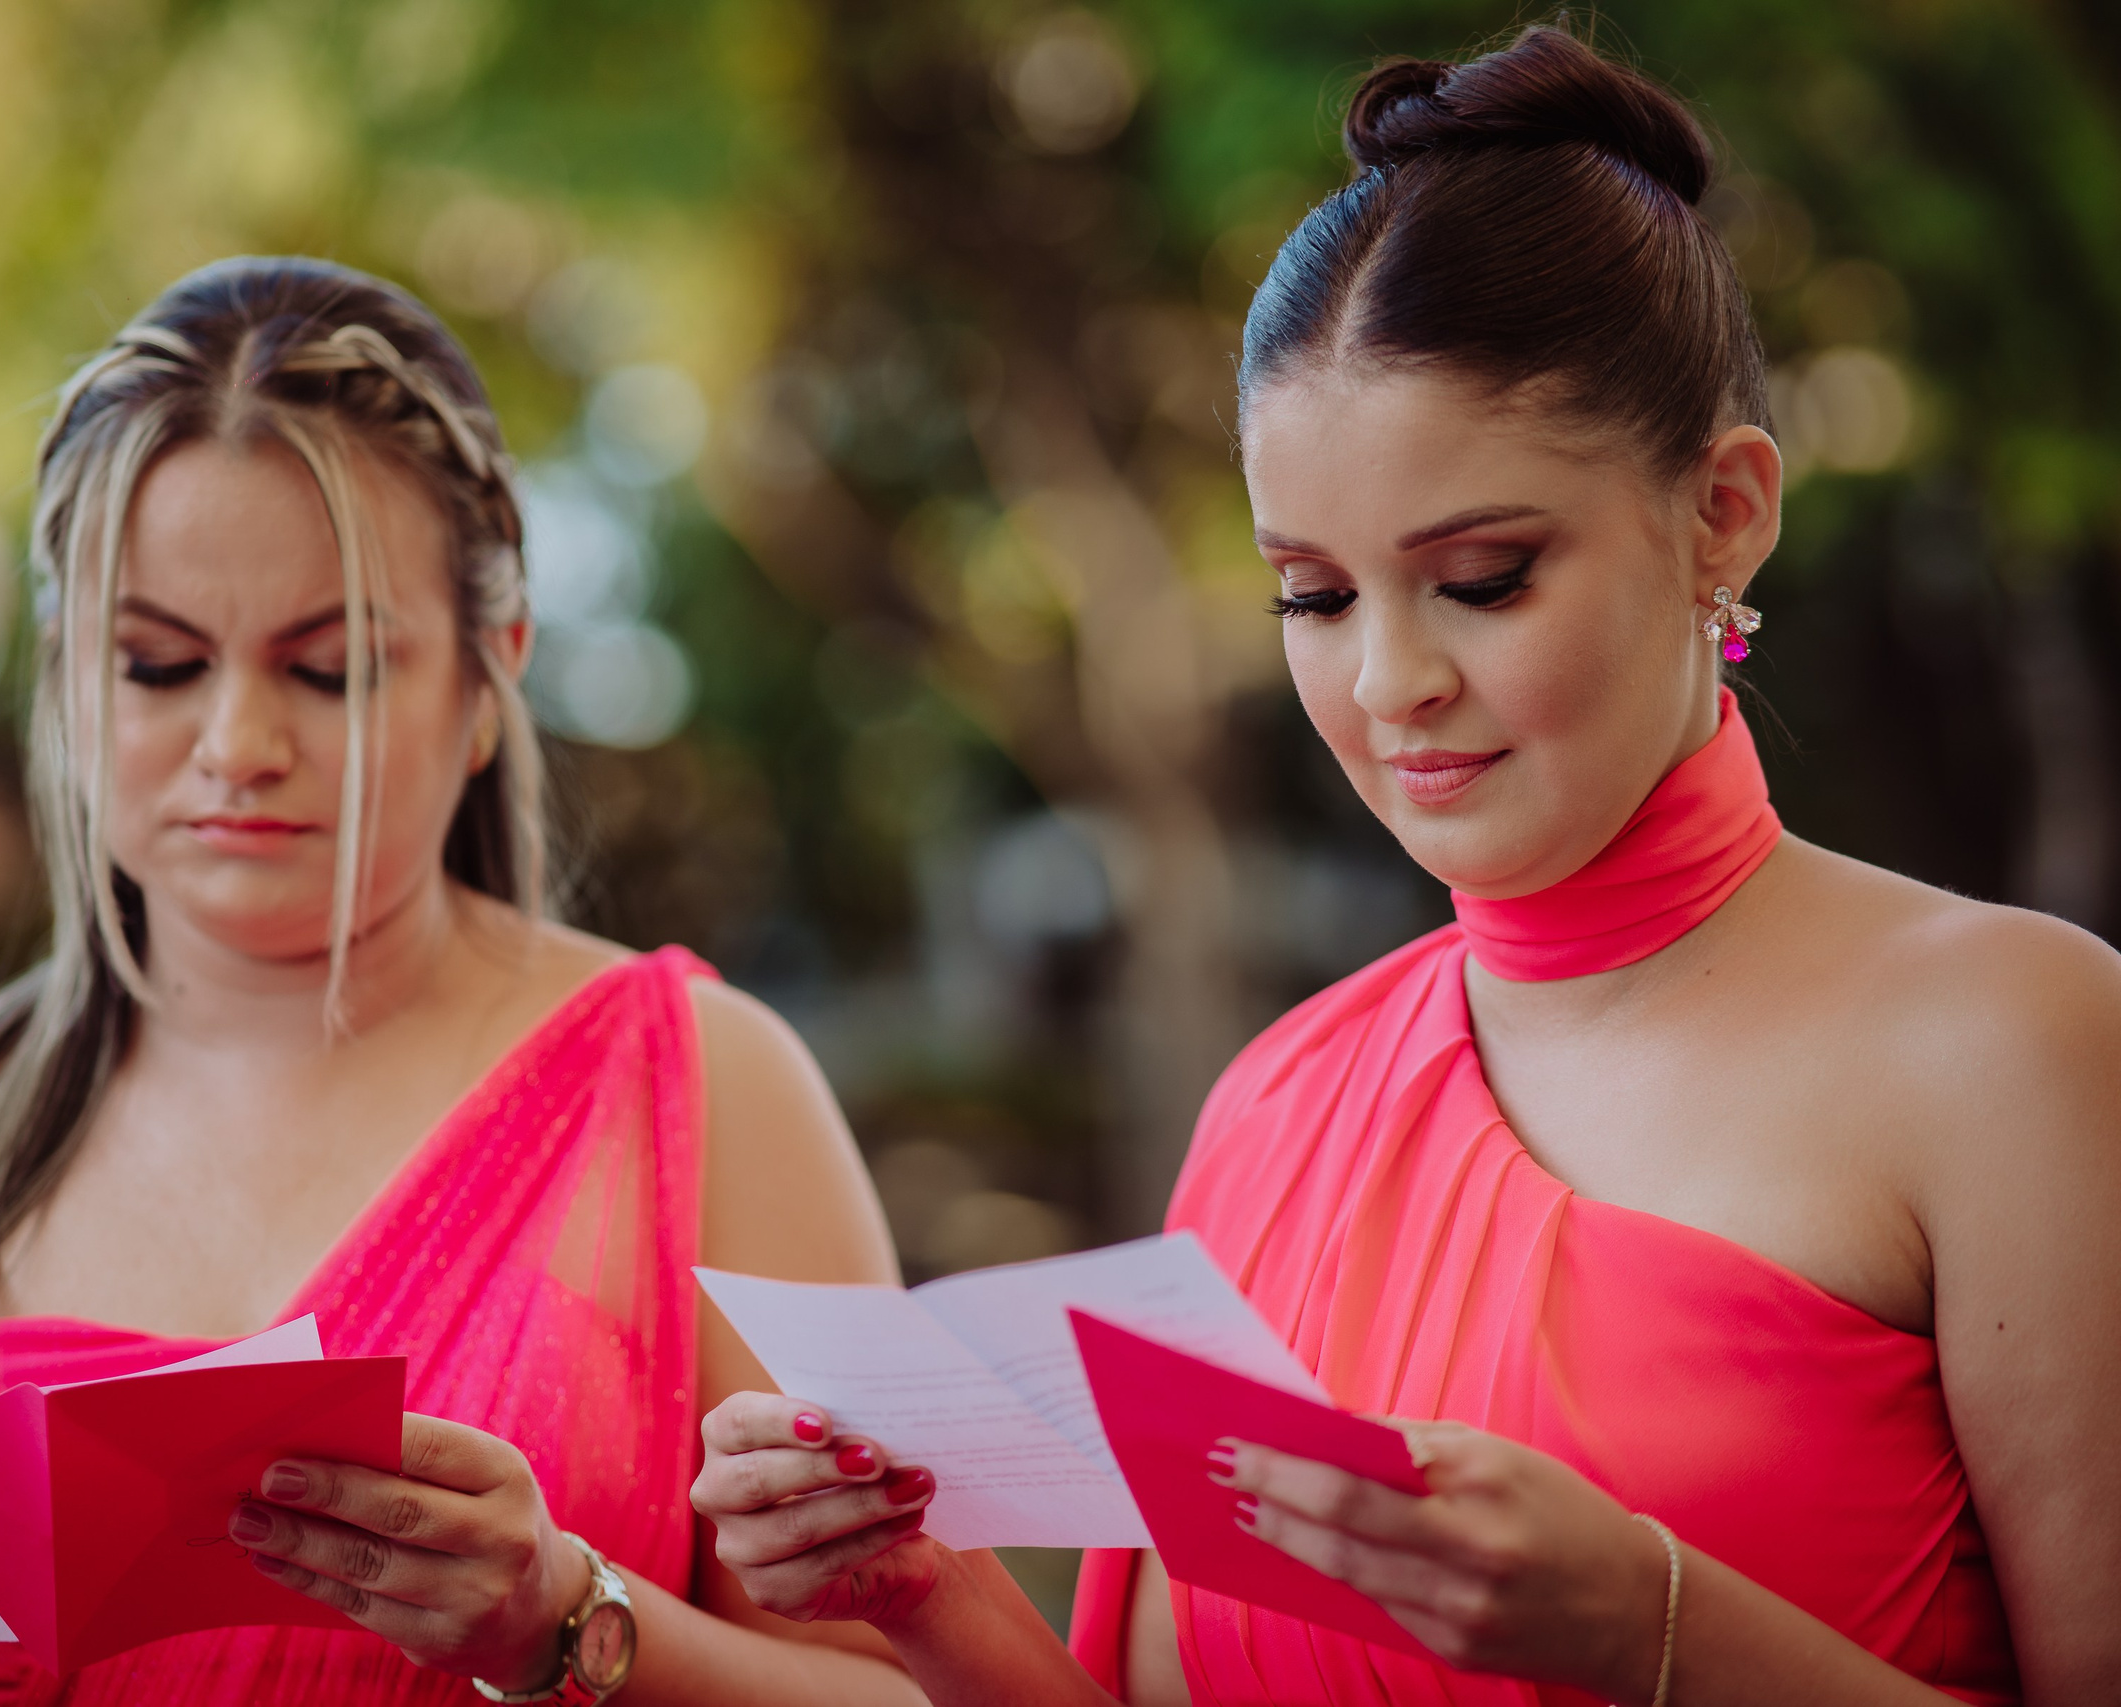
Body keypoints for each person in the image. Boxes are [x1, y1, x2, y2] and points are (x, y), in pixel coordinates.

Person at [691, 25, 2121, 1707]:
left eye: (1485, 578)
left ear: (1725, 513)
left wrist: (1654, 1627)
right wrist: (926, 1595)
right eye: (1312, 595)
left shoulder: (2012, 1042)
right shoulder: (1272, 1109)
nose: (1386, 686)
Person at [0, 258, 936, 1707]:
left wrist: (571, 1626)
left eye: (331, 669)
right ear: (66, 681)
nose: (238, 742)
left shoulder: (704, 1083)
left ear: (491, 679)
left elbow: (908, 1686)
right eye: (160, 665)